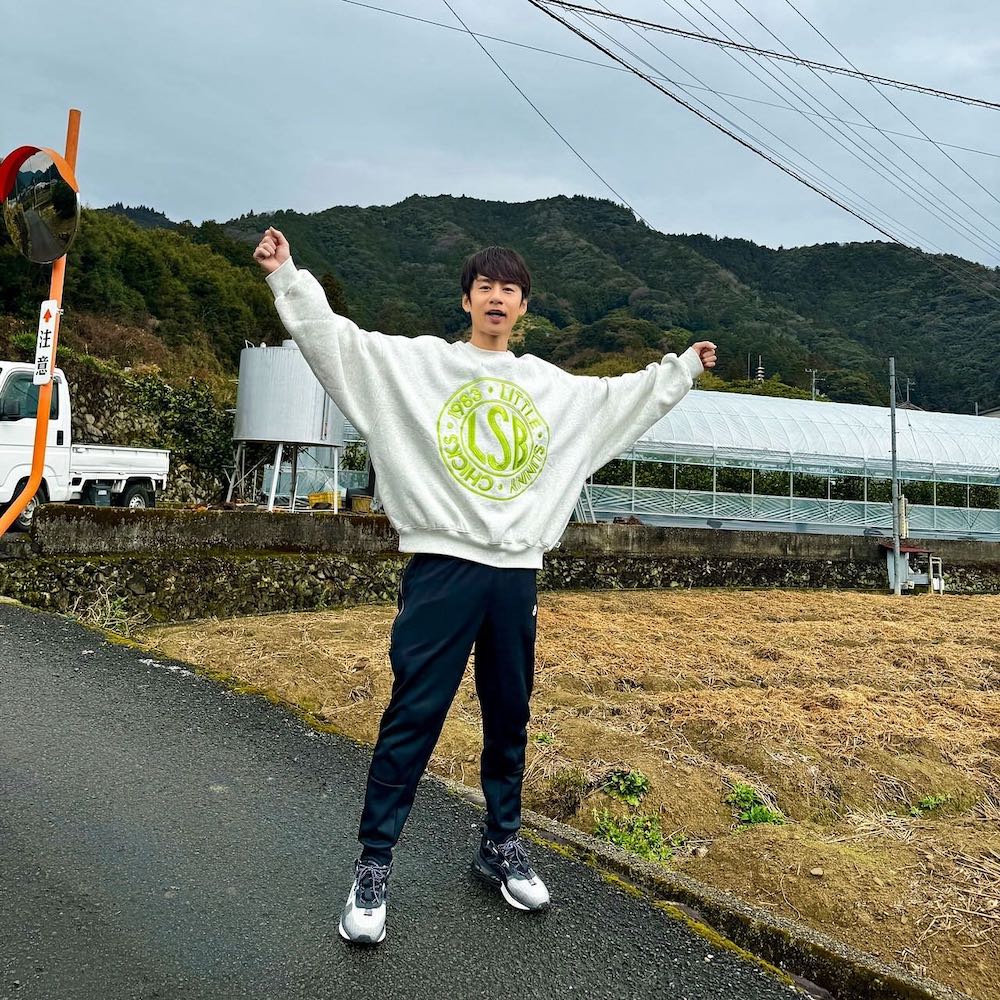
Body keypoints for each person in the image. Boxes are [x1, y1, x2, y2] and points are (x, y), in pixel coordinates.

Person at [254, 227, 716, 945]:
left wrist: (681, 369)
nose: (496, 297)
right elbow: (338, 342)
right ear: (466, 299)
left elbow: (618, 402)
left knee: (509, 715)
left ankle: (500, 845)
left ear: (524, 307)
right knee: (414, 716)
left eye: (510, 289)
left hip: (515, 573)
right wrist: (288, 276)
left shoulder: (548, 388)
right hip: (442, 568)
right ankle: (373, 865)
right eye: (485, 286)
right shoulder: (420, 368)